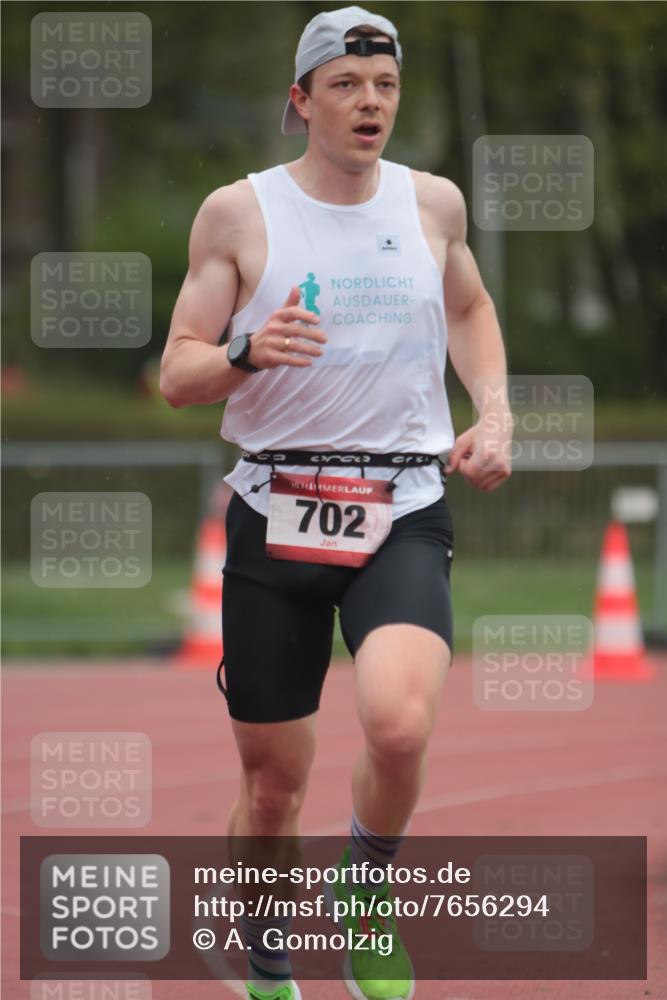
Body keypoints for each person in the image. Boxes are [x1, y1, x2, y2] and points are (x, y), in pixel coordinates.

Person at [161, 6, 511, 999]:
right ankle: (264, 948)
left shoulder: (431, 204)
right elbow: (177, 372)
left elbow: (471, 308)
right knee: (272, 786)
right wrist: (243, 350)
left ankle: (365, 889)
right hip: (276, 506)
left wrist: (493, 415)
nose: (369, 104)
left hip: (400, 500)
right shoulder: (238, 212)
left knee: (399, 725)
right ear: (301, 99)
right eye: (347, 86)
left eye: (385, 86)